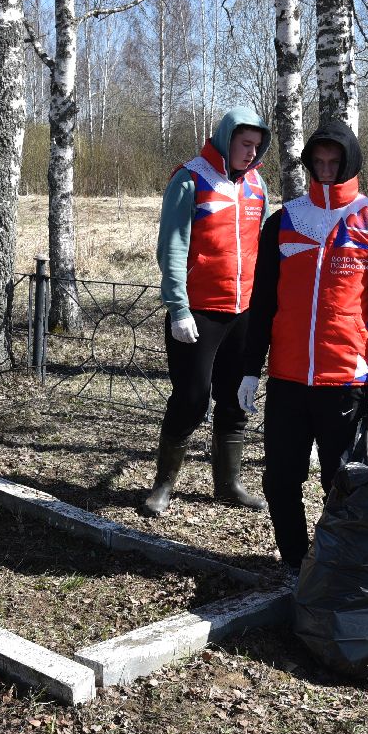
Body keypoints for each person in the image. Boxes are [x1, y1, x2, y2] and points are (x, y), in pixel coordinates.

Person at [237, 120, 368, 571]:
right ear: (309, 162)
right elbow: (263, 299)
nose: (327, 170)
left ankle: (335, 566)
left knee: (341, 483)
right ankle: (294, 561)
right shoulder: (285, 220)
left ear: (350, 162)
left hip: (345, 380)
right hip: (288, 378)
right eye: (320, 162)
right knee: (280, 480)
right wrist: (252, 368)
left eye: (335, 162)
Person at [141, 108, 270, 517]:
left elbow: (261, 250)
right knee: (193, 398)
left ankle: (229, 484)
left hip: (244, 312)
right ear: (225, 137)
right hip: (198, 312)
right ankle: (163, 484)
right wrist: (178, 308)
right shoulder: (190, 179)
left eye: (257, 146)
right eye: (244, 144)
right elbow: (172, 249)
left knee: (235, 399)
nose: (251, 153)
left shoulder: (256, 186)